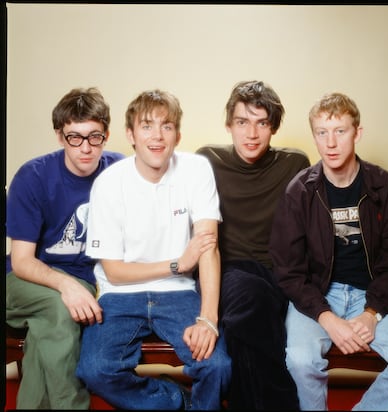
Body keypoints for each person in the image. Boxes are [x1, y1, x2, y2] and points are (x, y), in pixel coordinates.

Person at [76, 89, 232, 410]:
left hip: (178, 294)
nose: (157, 136)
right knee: (94, 370)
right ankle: (178, 402)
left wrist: (208, 319)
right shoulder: (108, 182)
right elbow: (115, 272)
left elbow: (208, 247)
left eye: (167, 126)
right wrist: (176, 264)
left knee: (218, 366)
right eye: (147, 126)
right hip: (118, 295)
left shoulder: (196, 169)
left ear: (178, 134)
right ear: (130, 135)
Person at [269, 92, 388, 411]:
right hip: (318, 295)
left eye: (340, 131)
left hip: (370, 296)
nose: (330, 143)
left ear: (357, 133)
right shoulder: (299, 191)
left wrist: (373, 313)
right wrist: (326, 316)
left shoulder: (386, 187)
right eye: (322, 132)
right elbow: (288, 271)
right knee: (301, 361)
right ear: (315, 137)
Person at [5, 87, 125, 409]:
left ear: (106, 135)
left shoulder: (120, 172)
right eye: (75, 137)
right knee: (59, 310)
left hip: (88, 280)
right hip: (25, 278)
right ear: (60, 136)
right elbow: (22, 261)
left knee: (47, 332)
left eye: (94, 137)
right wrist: (67, 286)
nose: (85, 148)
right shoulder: (32, 177)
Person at [196, 80, 310, 410]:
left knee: (247, 322)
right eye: (243, 122)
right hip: (227, 269)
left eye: (262, 123)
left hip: (276, 274)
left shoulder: (294, 164)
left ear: (273, 126)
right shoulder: (208, 160)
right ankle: (283, 403)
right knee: (250, 299)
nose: (252, 134)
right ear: (229, 125)